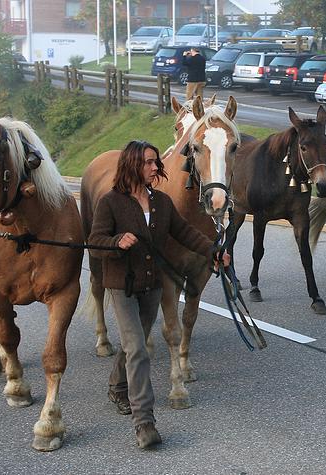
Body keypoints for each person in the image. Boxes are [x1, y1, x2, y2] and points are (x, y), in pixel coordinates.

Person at [88, 140, 230, 449]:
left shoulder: (162, 203)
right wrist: (115, 242)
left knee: (131, 343)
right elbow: (95, 239)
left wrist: (214, 250)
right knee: (138, 348)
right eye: (149, 162)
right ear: (132, 166)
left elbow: (185, 233)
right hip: (121, 284)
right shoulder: (110, 203)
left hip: (151, 286)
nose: (156, 167)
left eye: (156, 162)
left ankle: (116, 385)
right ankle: (144, 422)